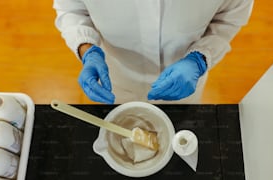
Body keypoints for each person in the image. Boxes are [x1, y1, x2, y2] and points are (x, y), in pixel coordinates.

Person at [53, 0, 254, 104]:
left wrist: (200, 58)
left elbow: (229, 18)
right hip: (114, 79)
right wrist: (87, 50)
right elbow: (71, 9)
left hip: (185, 82)